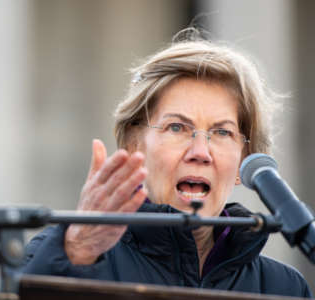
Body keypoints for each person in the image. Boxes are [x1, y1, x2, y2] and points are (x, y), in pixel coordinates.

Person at [22, 28, 312, 297]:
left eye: (221, 132)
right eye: (177, 127)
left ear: (243, 162)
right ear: (134, 146)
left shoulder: (283, 287)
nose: (201, 151)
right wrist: (78, 251)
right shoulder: (62, 254)